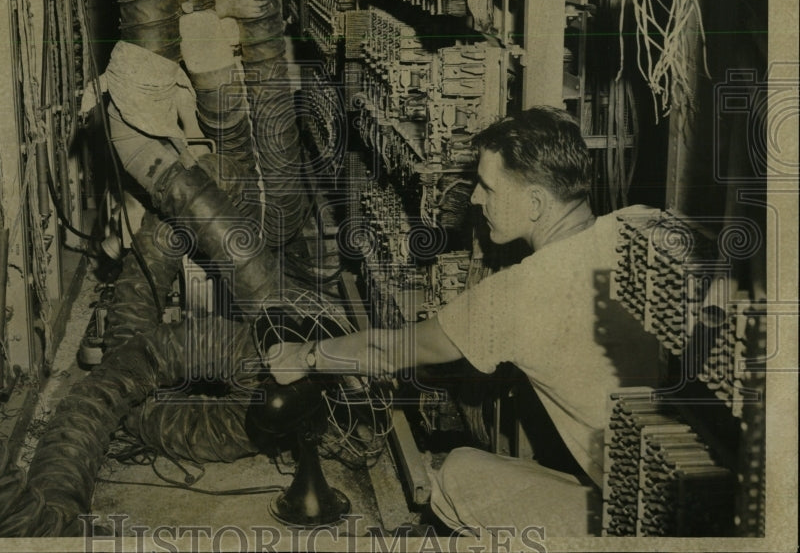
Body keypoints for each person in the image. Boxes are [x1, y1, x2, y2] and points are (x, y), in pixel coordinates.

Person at [268, 106, 661, 537]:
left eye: (488, 188)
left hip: (639, 527)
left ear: (534, 202)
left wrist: (305, 356)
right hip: (685, 490)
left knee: (456, 476)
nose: (475, 198)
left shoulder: (520, 293)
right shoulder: (640, 223)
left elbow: (387, 351)